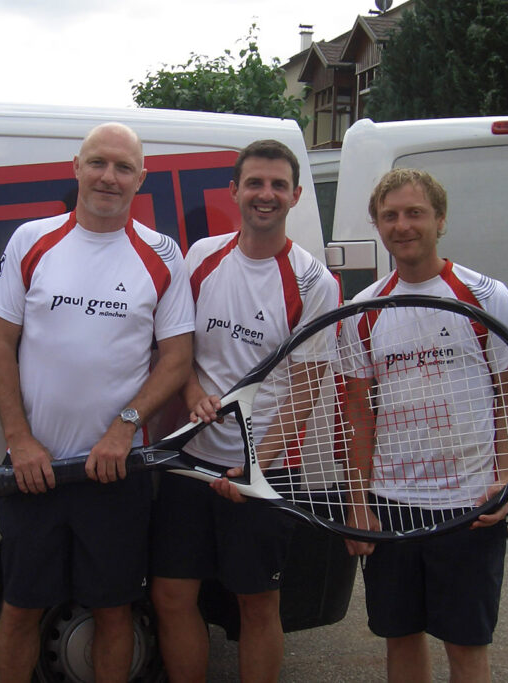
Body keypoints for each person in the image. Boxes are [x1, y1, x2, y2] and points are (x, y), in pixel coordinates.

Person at [0, 122, 194, 683]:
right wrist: (20, 440)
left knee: (113, 609)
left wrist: (125, 427)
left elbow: (176, 358)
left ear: (140, 180)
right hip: (34, 470)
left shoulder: (161, 254)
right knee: (21, 607)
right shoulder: (32, 240)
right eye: (98, 163)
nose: (109, 177)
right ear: (76, 166)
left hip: (114, 472)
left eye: (123, 168)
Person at [149, 139, 340, 683]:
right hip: (189, 462)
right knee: (170, 595)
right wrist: (190, 395)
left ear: (296, 195)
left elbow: (306, 389)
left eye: (278, 185)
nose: (266, 194)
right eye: (255, 183)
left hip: (264, 472)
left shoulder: (314, 283)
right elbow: (176, 350)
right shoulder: (201, 257)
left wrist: (256, 467)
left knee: (256, 606)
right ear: (233, 191)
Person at [340, 168, 508, 683]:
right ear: (377, 224)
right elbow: (358, 411)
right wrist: (359, 501)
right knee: (401, 640)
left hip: (471, 505)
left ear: (439, 219)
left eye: (415, 213)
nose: (403, 225)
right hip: (391, 503)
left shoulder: (487, 296)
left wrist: (504, 478)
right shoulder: (362, 310)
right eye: (390, 215)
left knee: (466, 647)